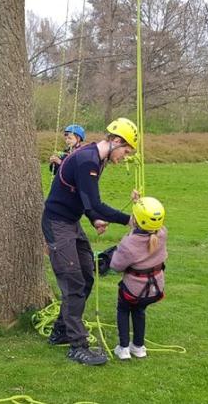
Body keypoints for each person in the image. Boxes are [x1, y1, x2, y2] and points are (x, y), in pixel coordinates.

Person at [41, 117, 139, 366]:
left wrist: (95, 219)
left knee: (86, 276)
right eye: (126, 150)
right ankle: (77, 345)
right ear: (116, 141)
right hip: (58, 223)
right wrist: (128, 220)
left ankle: (61, 330)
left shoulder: (98, 159)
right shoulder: (87, 160)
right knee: (73, 282)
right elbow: (94, 203)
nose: (125, 156)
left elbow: (86, 199)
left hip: (71, 222)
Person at [105, 197, 167, 360]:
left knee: (123, 310)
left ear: (136, 220)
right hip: (155, 290)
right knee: (139, 310)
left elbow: (116, 266)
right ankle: (139, 347)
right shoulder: (162, 233)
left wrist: (116, 253)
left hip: (134, 291)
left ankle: (124, 348)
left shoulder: (130, 243)